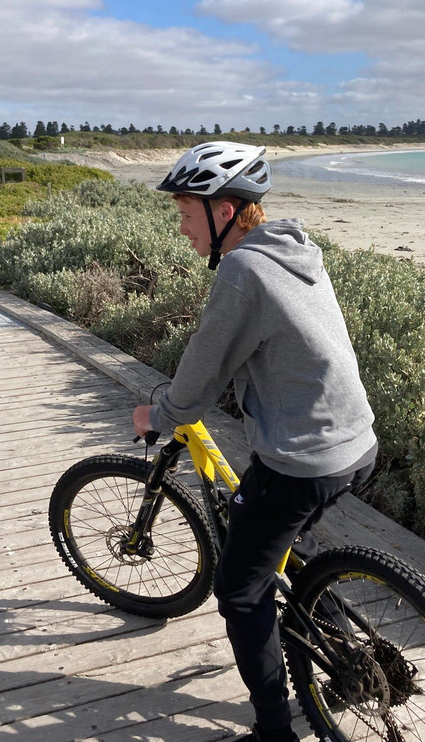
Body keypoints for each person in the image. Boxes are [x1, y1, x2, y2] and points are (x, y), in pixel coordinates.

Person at [132, 142, 377, 742]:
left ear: (224, 212)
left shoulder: (242, 272)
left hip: (303, 459)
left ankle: (275, 731)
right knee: (281, 543)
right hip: (357, 442)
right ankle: (342, 650)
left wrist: (158, 414)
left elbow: (199, 374)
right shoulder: (295, 253)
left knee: (240, 592)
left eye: (187, 215)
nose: (182, 229)